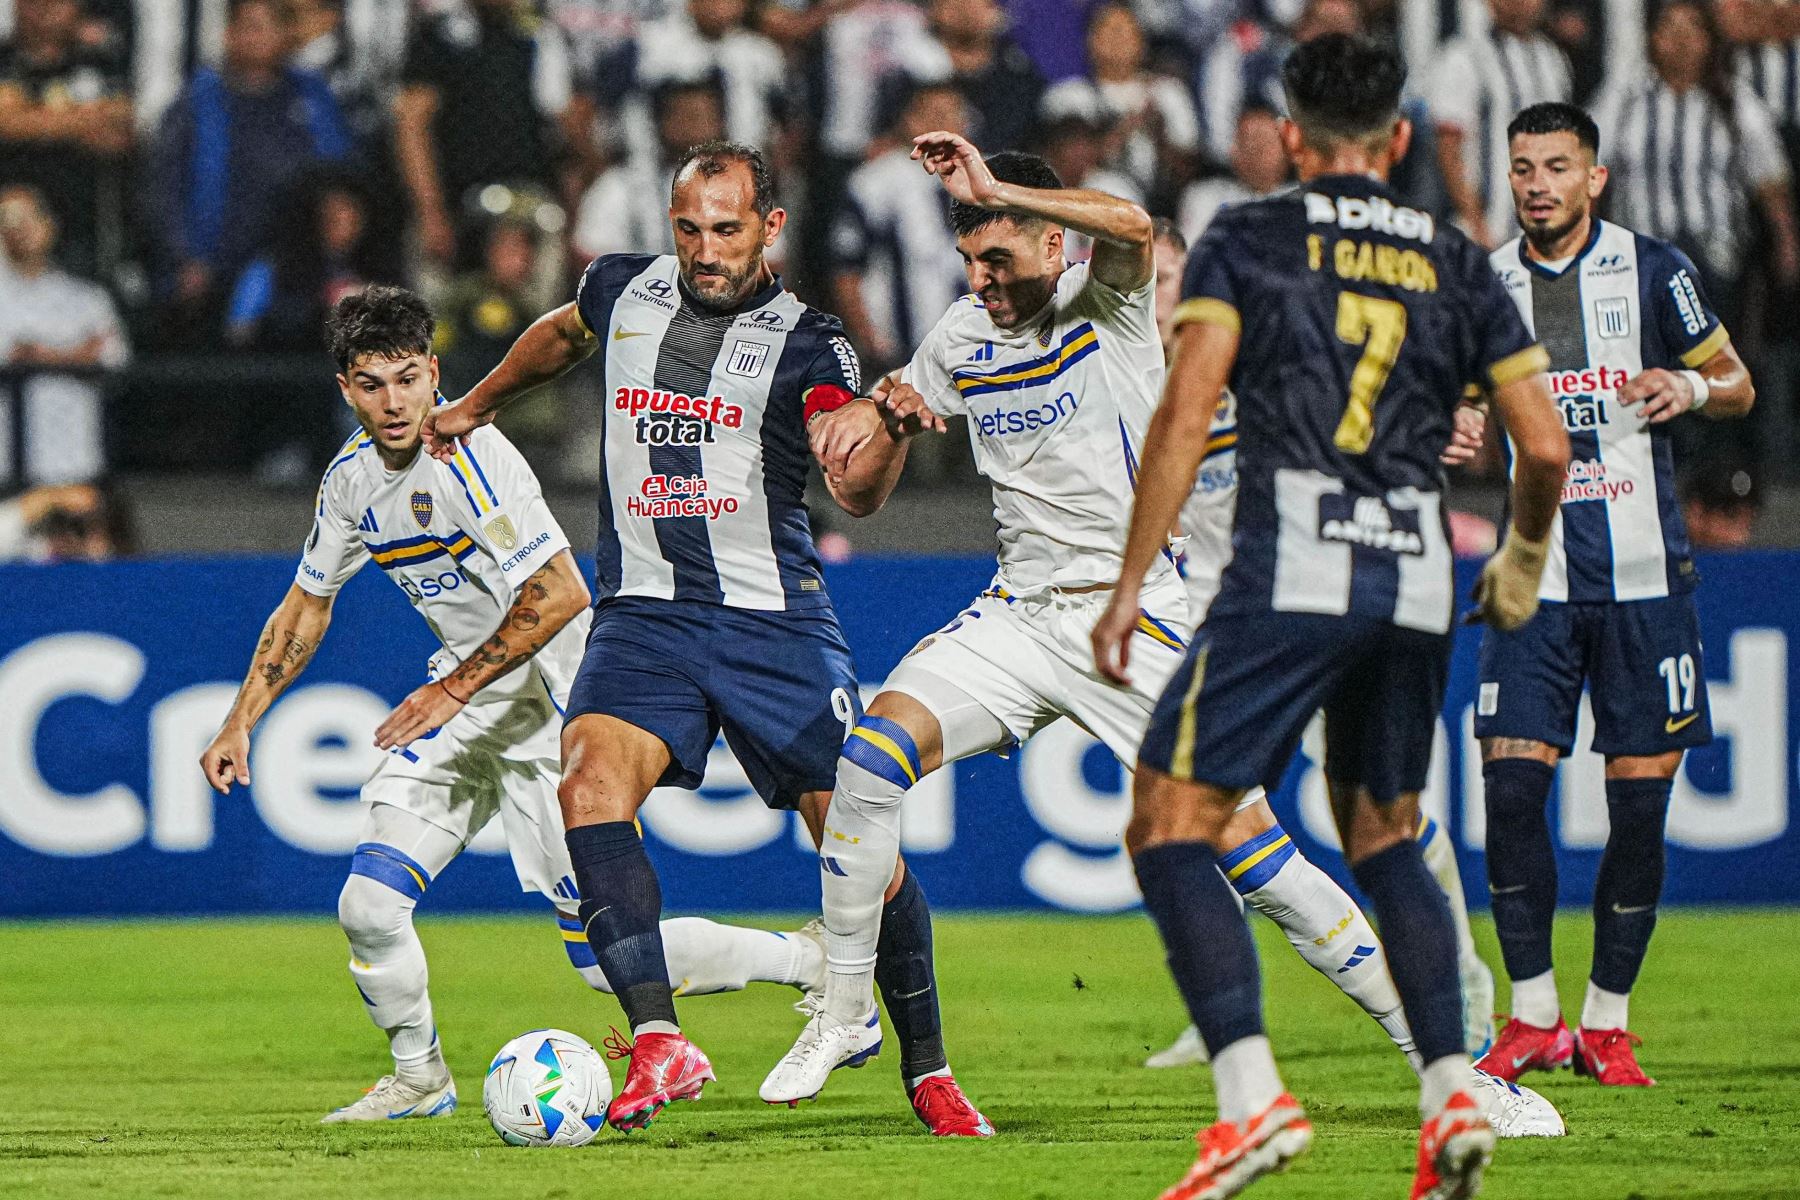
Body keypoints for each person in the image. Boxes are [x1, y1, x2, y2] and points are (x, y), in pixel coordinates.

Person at [759, 133, 1466, 1124]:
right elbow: (869, 497)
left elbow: (1133, 225)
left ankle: (1450, 1068)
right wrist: (874, 431)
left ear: (1055, 248)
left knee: (1256, 855)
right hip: (1020, 613)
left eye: (1000, 257)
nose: (983, 279)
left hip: (1135, 622)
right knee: (870, 756)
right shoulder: (962, 334)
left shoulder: (1115, 305)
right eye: (970, 260)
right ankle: (843, 1012)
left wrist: (999, 185)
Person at [1090, 34, 1568, 1199]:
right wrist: (1520, 555)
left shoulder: (1250, 236)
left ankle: (1251, 1105)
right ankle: (1452, 1088)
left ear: (1294, 140)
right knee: (1388, 831)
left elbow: (1185, 410)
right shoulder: (1459, 260)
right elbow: (1544, 443)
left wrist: (1127, 582)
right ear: (1401, 140)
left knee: (1165, 819)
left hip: (1293, 563)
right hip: (1413, 573)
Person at [422, 141, 967, 1136]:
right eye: (689, 229)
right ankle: (660, 1040)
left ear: (771, 227)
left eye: (727, 229)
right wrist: (476, 402)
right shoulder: (624, 289)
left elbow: (853, 486)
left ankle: (927, 1068)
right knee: (588, 787)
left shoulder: (811, 344)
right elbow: (560, 333)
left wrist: (884, 432)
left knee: (856, 845)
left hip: (772, 623)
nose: (706, 250)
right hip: (642, 616)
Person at [197, 285, 834, 1124]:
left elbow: (562, 590)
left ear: (434, 372)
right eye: (371, 383)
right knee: (368, 903)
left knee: (606, 967)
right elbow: (306, 604)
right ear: (345, 388)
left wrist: (451, 686)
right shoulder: (350, 482)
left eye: (407, 379)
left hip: (550, 709)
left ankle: (811, 962)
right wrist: (242, 718)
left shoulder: (474, 458)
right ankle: (420, 1077)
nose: (394, 402)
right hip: (463, 705)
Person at [1472, 101, 1755, 1090]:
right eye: (1522, 167)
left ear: (1594, 177)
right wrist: (1458, 429)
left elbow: (1738, 381)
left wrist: (1691, 389)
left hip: (1644, 583)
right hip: (1534, 582)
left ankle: (1607, 1023)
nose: (1537, 182)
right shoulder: (1488, 283)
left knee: (1638, 812)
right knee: (1510, 791)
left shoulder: (1655, 270)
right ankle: (1534, 1015)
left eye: (1556, 165)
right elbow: (1461, 404)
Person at [144, 0, 352, 345]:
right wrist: (182, 258)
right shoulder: (199, 99)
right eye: (250, 26)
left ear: (288, 34)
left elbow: (342, 179)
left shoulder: (314, 98)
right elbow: (164, 188)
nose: (259, 37)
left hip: (301, 275)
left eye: (270, 26)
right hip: (213, 272)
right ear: (229, 33)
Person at [830, 77, 971, 373]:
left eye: (951, 113)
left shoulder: (988, 181)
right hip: (899, 356)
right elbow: (846, 269)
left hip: (975, 356)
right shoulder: (875, 182)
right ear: (909, 119)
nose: (943, 123)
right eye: (931, 113)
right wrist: (871, 344)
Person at [0, 184, 127, 488]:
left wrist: (39, 355)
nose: (19, 229)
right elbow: (12, 355)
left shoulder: (87, 298)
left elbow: (115, 357)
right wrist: (76, 354)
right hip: (5, 468)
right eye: (7, 220)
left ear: (49, 226)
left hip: (74, 463)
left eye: (28, 218)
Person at [0, 0, 132, 277]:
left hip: (85, 234)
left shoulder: (101, 58)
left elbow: (118, 129)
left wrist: (25, 115)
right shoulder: (4, 57)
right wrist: (81, 121)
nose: (44, 7)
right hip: (9, 232)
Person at [1425, 0, 1572, 249]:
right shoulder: (1464, 56)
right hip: (1484, 232)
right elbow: (1449, 148)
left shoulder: (1553, 60)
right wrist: (1476, 223)